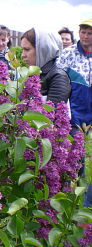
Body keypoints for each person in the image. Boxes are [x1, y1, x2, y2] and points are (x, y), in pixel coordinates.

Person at [56, 18, 92, 207]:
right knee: (75, 157)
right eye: (83, 32)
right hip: (75, 114)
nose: (86, 37)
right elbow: (58, 81)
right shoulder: (68, 54)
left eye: (90, 33)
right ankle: (73, 202)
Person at [21, 28, 71, 106]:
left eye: (27, 49)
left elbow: (51, 114)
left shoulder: (58, 76)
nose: (23, 55)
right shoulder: (31, 73)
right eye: (22, 50)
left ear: (43, 49)